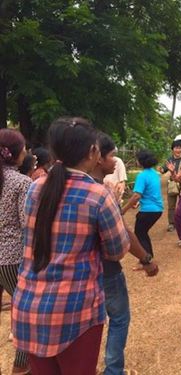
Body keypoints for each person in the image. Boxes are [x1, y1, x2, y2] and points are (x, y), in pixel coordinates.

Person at [11, 117, 130, 375]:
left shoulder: (35, 189)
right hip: (76, 313)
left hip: (28, 307)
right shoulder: (99, 195)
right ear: (91, 153)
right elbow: (118, 250)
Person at [92, 133, 159, 375]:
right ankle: (113, 370)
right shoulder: (100, 194)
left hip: (75, 273)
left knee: (89, 323)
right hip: (107, 270)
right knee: (118, 319)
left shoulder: (43, 188)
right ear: (96, 157)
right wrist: (147, 260)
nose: (115, 160)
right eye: (111, 155)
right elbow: (122, 237)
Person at [0, 129, 31, 375]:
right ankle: (21, 366)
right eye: (24, 147)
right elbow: (26, 222)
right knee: (26, 311)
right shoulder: (21, 182)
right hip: (11, 258)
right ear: (15, 152)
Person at [122, 150, 163, 258]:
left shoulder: (142, 176)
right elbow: (150, 193)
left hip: (148, 211)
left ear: (141, 161)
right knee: (142, 233)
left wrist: (123, 210)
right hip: (157, 209)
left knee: (140, 234)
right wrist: (139, 203)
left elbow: (136, 195)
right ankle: (148, 256)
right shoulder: (154, 174)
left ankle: (145, 259)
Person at [160, 140, 181, 232]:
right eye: (176, 148)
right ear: (172, 149)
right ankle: (171, 223)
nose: (178, 150)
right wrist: (161, 169)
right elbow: (163, 170)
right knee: (171, 205)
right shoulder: (169, 160)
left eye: (180, 148)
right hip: (172, 184)